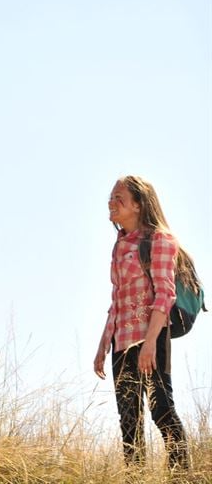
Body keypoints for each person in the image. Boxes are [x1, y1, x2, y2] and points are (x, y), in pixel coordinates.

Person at [93, 175, 191, 470]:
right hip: (121, 341)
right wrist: (102, 346)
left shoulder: (159, 240)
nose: (111, 203)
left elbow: (165, 295)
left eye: (118, 198)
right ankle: (135, 477)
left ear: (138, 204)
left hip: (151, 337)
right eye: (111, 197)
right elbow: (117, 300)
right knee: (129, 421)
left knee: (161, 410)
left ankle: (182, 476)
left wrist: (149, 344)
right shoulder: (120, 245)